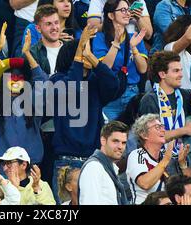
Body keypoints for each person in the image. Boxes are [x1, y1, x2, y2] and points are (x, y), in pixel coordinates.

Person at [43, 26, 119, 203]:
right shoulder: (57, 80)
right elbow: (72, 87)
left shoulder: (94, 81)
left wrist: (93, 59)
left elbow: (113, 85)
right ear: (73, 55)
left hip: (93, 160)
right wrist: (79, 52)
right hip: (66, 161)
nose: (86, 54)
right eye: (84, 51)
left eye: (87, 51)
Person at [0, 25, 45, 165]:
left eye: (20, 78)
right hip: (1, 170)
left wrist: (27, 53)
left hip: (30, 169)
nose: (15, 81)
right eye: (11, 77)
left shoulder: (32, 104)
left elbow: (42, 81)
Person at [140, 51, 191, 163]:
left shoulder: (186, 95)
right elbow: (152, 138)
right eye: (176, 71)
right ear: (162, 74)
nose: (181, 74)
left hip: (183, 156)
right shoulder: (150, 100)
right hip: (159, 159)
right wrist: (185, 130)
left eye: (180, 70)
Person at [92, 0, 148, 122]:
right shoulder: (100, 38)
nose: (127, 13)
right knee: (112, 136)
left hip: (132, 93)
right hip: (111, 95)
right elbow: (105, 68)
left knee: (134, 137)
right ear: (111, 15)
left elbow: (143, 69)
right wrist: (116, 43)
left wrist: (133, 48)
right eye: (123, 10)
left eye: (128, 10)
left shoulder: (135, 36)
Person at [127, 114, 191, 204]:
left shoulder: (171, 156)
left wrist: (183, 164)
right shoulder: (137, 155)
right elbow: (144, 183)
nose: (163, 130)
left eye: (162, 126)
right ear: (144, 134)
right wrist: (165, 160)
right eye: (157, 127)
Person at [78, 121, 130, 205]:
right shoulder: (94, 167)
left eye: (123, 143)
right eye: (115, 141)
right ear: (103, 141)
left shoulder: (109, 167)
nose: (120, 147)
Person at [87, 0, 153, 40]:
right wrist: (116, 19)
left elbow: (148, 35)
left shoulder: (138, 1)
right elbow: (91, 29)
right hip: (106, 42)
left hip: (133, 44)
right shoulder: (98, 1)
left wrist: (139, 18)